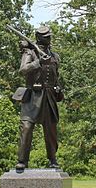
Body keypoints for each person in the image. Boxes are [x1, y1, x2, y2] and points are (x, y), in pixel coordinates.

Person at [15, 25, 63, 172]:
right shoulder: (30, 52)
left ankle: (53, 159)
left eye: (49, 35)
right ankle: (22, 160)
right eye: (46, 36)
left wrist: (58, 88)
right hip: (33, 97)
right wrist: (38, 63)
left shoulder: (54, 56)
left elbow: (56, 77)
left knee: (51, 130)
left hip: (49, 97)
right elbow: (23, 70)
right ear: (39, 37)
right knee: (27, 128)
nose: (49, 38)